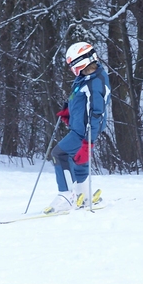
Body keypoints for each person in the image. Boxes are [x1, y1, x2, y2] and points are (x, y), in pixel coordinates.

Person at [44, 41, 112, 214]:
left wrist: (88, 142)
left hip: (84, 132)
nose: (70, 69)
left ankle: (66, 196)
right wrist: (69, 109)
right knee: (79, 159)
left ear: (81, 62)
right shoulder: (85, 78)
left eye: (72, 65)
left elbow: (96, 113)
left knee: (59, 154)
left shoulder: (95, 83)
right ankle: (84, 194)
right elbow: (78, 97)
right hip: (80, 128)